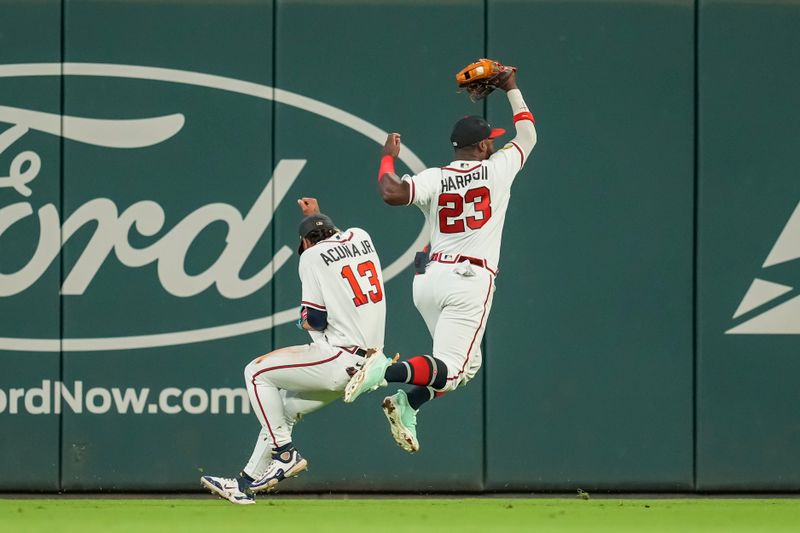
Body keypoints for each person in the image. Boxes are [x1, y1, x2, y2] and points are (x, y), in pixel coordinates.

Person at [344, 68, 536, 453]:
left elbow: (391, 192)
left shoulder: (436, 176)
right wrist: (510, 87)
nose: (494, 147)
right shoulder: (498, 169)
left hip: (428, 279)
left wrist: (387, 159)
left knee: (468, 367)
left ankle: (406, 403)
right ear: (481, 147)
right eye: (491, 142)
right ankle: (384, 371)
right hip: (468, 278)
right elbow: (528, 133)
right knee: (450, 372)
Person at [201, 197, 386, 504]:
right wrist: (316, 217)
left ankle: (285, 455)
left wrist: (301, 319)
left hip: (338, 358)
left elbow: (314, 319)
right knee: (281, 413)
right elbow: (334, 239)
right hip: (369, 364)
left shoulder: (310, 257)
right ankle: (243, 483)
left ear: (304, 242)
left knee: (256, 371)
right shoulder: (361, 236)